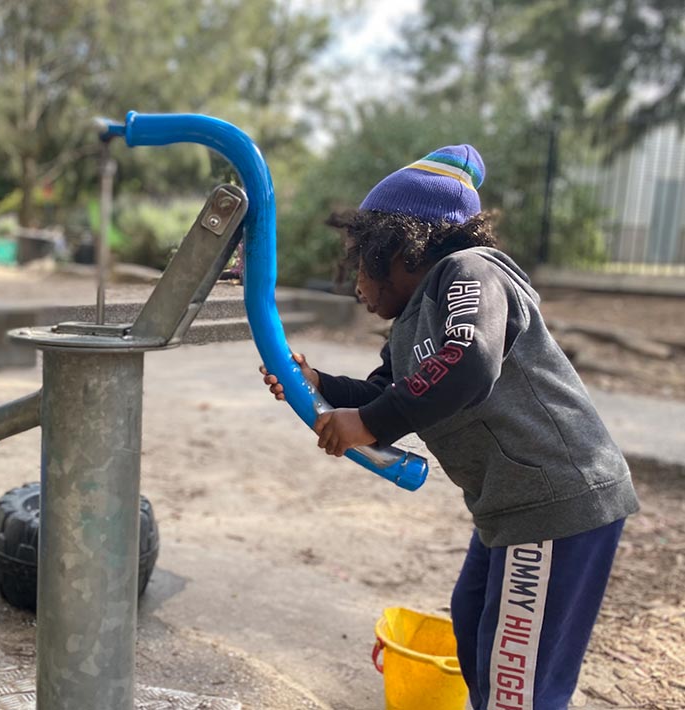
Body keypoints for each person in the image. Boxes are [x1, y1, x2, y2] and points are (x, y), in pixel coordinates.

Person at [261, 145, 640, 709]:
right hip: (512, 509)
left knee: (518, 682)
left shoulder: (469, 274)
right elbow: (393, 396)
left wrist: (365, 423)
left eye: (358, 262)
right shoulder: (414, 323)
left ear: (400, 249)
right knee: (475, 632)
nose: (354, 285)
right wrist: (318, 383)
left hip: (556, 502)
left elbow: (466, 364)